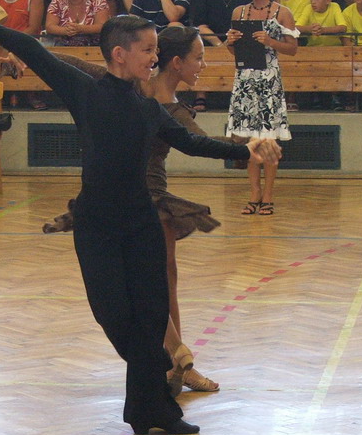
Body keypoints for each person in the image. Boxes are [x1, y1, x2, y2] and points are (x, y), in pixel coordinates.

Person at [0, 9, 282, 435]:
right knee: (114, 317)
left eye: (156, 49)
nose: (154, 57)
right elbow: (34, 51)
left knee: (151, 317)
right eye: (147, 50)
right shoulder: (86, 92)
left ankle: (152, 412)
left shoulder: (148, 108)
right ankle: (155, 388)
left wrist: (247, 150)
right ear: (119, 54)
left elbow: (191, 143)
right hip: (97, 225)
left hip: (141, 224)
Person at [37, 26, 230, 394]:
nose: (203, 65)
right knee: (152, 284)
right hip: (133, 200)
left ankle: (175, 360)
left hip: (149, 198)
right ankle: (176, 358)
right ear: (177, 62)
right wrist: (24, 56)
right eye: (199, 58)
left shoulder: (165, 104)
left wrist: (247, 146)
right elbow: (74, 65)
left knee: (164, 281)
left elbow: (200, 143)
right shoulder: (133, 88)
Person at [225, 0, 297, 216]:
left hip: (268, 80)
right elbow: (234, 50)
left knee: (268, 139)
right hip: (245, 80)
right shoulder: (239, 12)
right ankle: (254, 193)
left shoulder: (282, 12)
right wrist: (230, 42)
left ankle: (268, 195)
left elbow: (293, 48)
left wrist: (270, 41)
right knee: (249, 140)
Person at [190, 0, 250, 111]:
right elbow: (200, 24)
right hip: (211, 39)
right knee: (199, 45)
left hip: (240, 36)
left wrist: (231, 40)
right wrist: (219, 44)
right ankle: (200, 93)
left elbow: (249, 19)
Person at [0, 0, 46, 108]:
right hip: (3, 42)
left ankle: (26, 92)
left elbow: (33, 27)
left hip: (26, 40)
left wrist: (12, 42)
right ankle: (1, 92)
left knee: (16, 50)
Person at [301, 0, 347, 110]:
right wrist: (310, 29)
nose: (313, 2)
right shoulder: (308, 8)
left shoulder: (335, 7)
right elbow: (297, 27)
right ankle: (315, 96)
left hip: (334, 50)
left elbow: (342, 27)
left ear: (328, 0)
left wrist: (324, 30)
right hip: (313, 50)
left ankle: (335, 97)